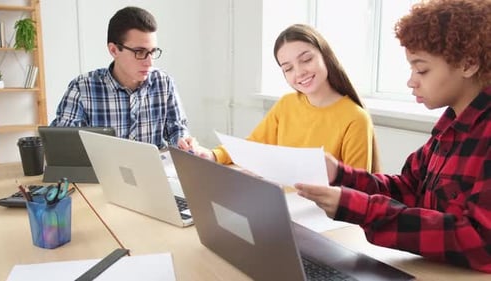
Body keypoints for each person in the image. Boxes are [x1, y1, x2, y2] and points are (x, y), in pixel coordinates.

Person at [295, 0, 491, 272]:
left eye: (422, 69)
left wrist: (361, 208)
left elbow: (481, 242)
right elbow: (409, 188)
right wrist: (340, 175)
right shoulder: (450, 128)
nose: (411, 80)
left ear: (468, 64)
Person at [193, 24, 380, 173]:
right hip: (283, 205)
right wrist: (213, 155)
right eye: (288, 68)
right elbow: (252, 147)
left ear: (325, 56)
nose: (299, 72)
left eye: (306, 60)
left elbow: (357, 191)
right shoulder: (286, 104)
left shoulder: (355, 118)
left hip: (324, 217)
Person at [50, 6, 194, 150]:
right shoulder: (82, 88)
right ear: (113, 50)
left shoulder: (164, 83)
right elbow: (62, 144)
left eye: (152, 52)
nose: (149, 62)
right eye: (140, 52)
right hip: (102, 172)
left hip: (154, 170)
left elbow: (177, 129)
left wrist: (182, 140)